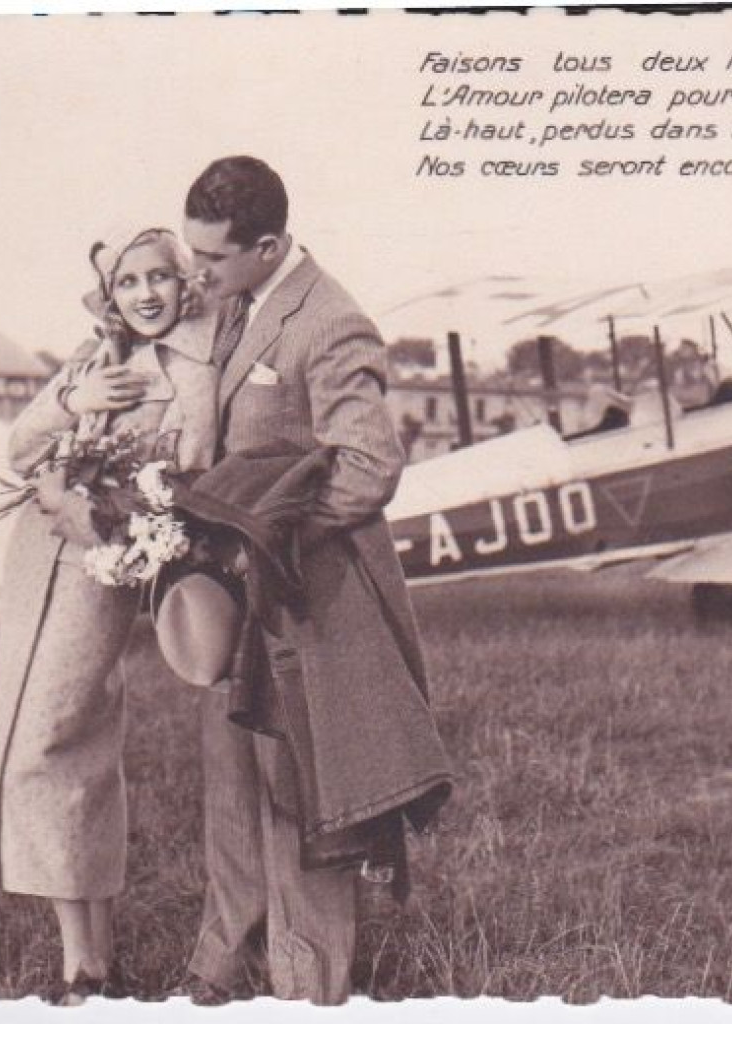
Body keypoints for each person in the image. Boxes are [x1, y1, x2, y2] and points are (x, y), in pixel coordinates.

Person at [180, 156, 452, 1004]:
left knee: (301, 797)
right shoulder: (236, 304)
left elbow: (368, 467)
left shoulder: (330, 320)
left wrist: (268, 534)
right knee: (230, 784)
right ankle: (225, 962)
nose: (199, 274)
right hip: (236, 598)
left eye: (212, 260)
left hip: (304, 600)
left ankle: (307, 993)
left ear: (268, 246)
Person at [0, 228, 218, 1004]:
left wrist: (92, 506)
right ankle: (84, 955)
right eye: (127, 283)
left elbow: (190, 483)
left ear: (186, 283)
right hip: (35, 562)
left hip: (101, 567)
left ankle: (90, 962)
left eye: (159, 278)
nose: (144, 295)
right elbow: (18, 448)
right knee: (40, 743)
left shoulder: (198, 371)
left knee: (53, 742)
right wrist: (73, 401)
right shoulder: (93, 359)